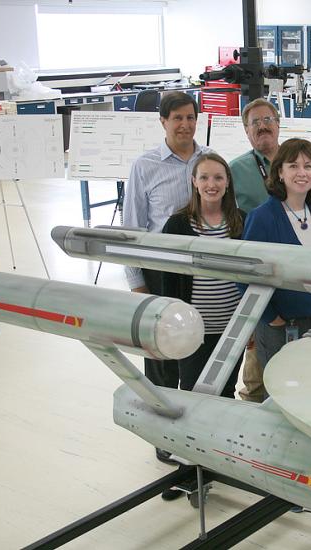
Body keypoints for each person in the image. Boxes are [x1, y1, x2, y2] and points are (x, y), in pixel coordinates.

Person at [122, 91, 211, 465]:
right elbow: (132, 228)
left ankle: (196, 428)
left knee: (196, 350)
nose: (185, 125)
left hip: (204, 271)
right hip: (161, 273)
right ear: (163, 122)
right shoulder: (145, 166)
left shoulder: (208, 160)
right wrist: (137, 283)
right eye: (177, 118)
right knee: (160, 356)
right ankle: (163, 436)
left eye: (190, 117)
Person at [159, 152, 245, 501]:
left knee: (224, 396)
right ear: (194, 182)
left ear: (227, 183)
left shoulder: (240, 221)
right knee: (191, 397)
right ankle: (189, 473)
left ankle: (214, 467)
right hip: (191, 331)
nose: (211, 184)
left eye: (218, 178)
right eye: (205, 178)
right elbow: (168, 283)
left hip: (233, 327)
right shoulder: (178, 225)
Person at [242, 138, 311, 377]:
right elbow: (244, 273)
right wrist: (272, 318)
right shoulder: (263, 217)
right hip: (281, 328)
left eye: (308, 166)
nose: (302, 172)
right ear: (280, 172)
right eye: (293, 165)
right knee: (280, 393)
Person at [229, 98, 282, 403]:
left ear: (278, 124)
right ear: (246, 132)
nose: (263, 126)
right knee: (257, 369)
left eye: (268, 120)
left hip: (295, 274)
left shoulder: (298, 161)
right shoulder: (236, 170)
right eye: (255, 123)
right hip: (256, 274)